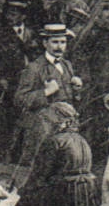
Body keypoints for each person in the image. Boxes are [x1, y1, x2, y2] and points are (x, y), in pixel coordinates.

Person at [15, 22, 85, 167]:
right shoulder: (34, 68)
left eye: (63, 42)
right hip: (43, 128)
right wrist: (46, 92)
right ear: (45, 43)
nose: (59, 47)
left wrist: (76, 90)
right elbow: (20, 99)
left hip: (66, 126)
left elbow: (70, 98)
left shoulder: (67, 65)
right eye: (55, 42)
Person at [17, 101, 100, 206]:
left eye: (47, 121)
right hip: (88, 202)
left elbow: (39, 176)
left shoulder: (53, 141)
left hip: (66, 202)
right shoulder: (82, 140)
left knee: (25, 200)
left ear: (59, 122)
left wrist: (21, 194)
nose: (45, 126)